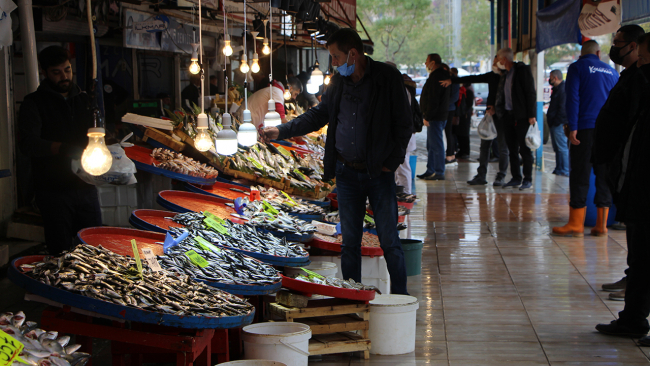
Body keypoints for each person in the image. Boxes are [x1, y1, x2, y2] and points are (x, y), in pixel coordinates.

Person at [261, 28, 413, 294]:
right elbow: (319, 115)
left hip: (378, 173)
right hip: (346, 173)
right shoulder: (339, 82)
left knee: (389, 240)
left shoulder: (386, 78)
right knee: (349, 243)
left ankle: (401, 298)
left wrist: (392, 161)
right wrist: (282, 130)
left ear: (352, 54)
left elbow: (404, 123)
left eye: (334, 56)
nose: (332, 62)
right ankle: (353, 296)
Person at [17, 45, 102, 256]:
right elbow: (28, 143)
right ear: (44, 73)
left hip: (85, 186)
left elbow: (96, 133)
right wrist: (62, 148)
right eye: (56, 72)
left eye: (67, 70)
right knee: (60, 251)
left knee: (94, 246)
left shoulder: (84, 100)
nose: (64, 76)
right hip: (52, 191)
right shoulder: (33, 104)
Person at [596, 32, 650, 339]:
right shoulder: (636, 80)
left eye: (642, 58)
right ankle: (632, 319)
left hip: (642, 185)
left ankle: (633, 318)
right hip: (636, 184)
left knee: (644, 257)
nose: (638, 64)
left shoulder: (641, 84)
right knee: (640, 258)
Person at [552, 41, 618, 237]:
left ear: (582, 54)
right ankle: (601, 225)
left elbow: (572, 98)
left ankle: (576, 224)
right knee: (603, 174)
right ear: (598, 53)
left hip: (585, 128)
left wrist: (573, 126)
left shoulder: (577, 67)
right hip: (608, 130)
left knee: (580, 173)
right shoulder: (612, 72)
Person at [441, 56, 508, 186]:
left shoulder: (509, 77)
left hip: (503, 116)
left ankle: (501, 176)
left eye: (495, 61)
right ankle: (481, 175)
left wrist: (497, 107)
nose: (493, 63)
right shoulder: (492, 76)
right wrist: (453, 80)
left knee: (502, 147)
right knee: (484, 146)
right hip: (490, 115)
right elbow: (473, 78)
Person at [494, 48, 537, 190]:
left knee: (524, 149)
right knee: (512, 148)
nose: (497, 61)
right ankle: (515, 177)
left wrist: (531, 114)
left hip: (522, 117)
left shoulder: (522, 70)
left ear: (504, 59)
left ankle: (527, 179)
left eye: (499, 58)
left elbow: (530, 92)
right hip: (508, 116)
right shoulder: (505, 74)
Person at [386, 61, 420, 194]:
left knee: (402, 166)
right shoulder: (400, 87)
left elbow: (402, 117)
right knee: (400, 167)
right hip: (403, 135)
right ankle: (401, 193)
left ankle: (405, 194)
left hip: (403, 135)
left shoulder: (401, 89)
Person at [417, 53, 451, 181]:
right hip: (437, 116)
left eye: (427, 61)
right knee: (431, 145)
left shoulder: (438, 76)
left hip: (435, 117)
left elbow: (433, 99)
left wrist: (427, 116)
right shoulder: (438, 75)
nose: (425, 64)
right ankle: (431, 169)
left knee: (436, 145)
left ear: (433, 62)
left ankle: (439, 171)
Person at [235, 77, 302, 129]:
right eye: (295, 94)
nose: (294, 98)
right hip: (243, 122)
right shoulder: (277, 92)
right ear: (290, 88)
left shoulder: (275, 90)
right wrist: (295, 131)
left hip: (247, 122)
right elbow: (281, 119)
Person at [546, 70, 569, 176]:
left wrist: (556, 121)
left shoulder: (563, 90)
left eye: (550, 77)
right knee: (557, 148)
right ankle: (559, 168)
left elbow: (562, 108)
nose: (549, 80)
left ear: (555, 78)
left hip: (558, 123)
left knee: (562, 147)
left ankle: (565, 169)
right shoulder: (556, 89)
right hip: (554, 122)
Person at [445, 67, 460, 166]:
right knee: (448, 132)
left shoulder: (453, 82)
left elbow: (454, 97)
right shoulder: (451, 81)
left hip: (449, 109)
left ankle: (450, 154)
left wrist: (443, 105)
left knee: (448, 131)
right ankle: (450, 154)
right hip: (449, 108)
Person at [455, 83, 474, 159]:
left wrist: (464, 111)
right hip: (462, 114)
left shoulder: (468, 92)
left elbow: (469, 104)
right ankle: (461, 150)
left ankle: (465, 151)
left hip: (464, 115)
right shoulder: (463, 91)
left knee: (464, 133)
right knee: (460, 133)